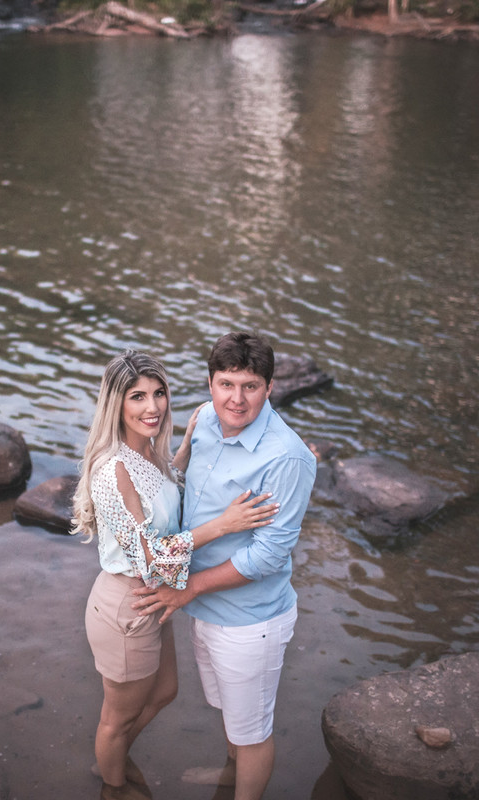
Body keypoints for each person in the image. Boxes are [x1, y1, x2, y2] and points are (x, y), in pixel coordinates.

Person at [71, 350, 279, 800]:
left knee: (164, 691)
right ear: (116, 404)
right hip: (128, 604)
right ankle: (113, 786)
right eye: (137, 397)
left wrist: (185, 448)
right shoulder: (113, 470)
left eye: (159, 393)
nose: (153, 407)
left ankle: (112, 755)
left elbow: (163, 492)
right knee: (116, 718)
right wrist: (222, 525)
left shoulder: (146, 450)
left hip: (152, 600)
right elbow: (152, 561)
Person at [131, 332, 317, 800]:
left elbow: (268, 555)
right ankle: (232, 774)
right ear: (210, 382)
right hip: (202, 606)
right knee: (232, 716)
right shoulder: (205, 419)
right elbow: (185, 488)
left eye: (250, 386)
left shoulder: (287, 458)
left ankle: (243, 781)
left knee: (252, 732)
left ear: (270, 387)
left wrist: (187, 587)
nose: (236, 399)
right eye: (226, 384)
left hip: (248, 621)